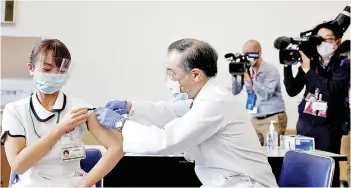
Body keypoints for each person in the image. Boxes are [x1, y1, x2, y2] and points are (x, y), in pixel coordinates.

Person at [95, 38, 278, 187]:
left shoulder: (215, 102)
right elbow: (172, 111)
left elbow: (167, 140)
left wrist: (120, 124)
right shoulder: (205, 97)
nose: (172, 80)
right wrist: (130, 107)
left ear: (196, 75)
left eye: (173, 74)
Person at [1, 39, 124, 187]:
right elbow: (19, 165)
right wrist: (60, 129)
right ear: (31, 68)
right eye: (47, 69)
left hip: (70, 183)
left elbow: (117, 147)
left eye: (61, 70)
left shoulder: (79, 107)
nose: (54, 75)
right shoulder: (14, 110)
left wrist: (84, 184)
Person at [284, 22, 350, 187]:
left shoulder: (344, 64)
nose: (323, 44)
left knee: (326, 169)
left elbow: (331, 90)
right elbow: (292, 89)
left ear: (338, 42)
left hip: (328, 126)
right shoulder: (311, 62)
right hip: (306, 123)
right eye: (320, 40)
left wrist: (308, 71)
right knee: (305, 169)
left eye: (328, 39)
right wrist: (287, 64)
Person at [232, 40, 287, 146]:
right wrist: (234, 76)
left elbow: (266, 94)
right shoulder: (247, 70)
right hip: (255, 118)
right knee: (255, 154)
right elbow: (235, 91)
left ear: (259, 52)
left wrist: (250, 81)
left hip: (272, 118)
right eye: (244, 54)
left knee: (273, 156)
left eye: (249, 54)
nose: (246, 57)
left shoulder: (271, 70)